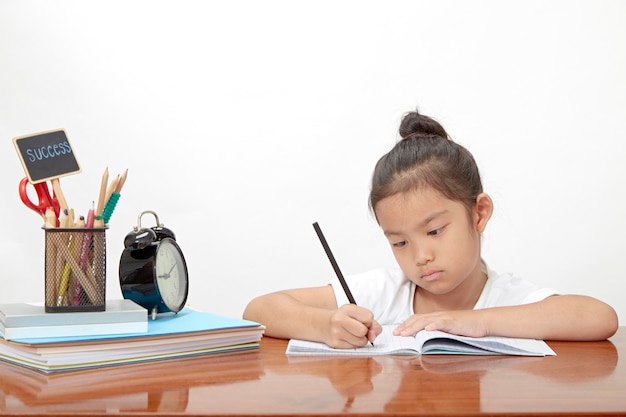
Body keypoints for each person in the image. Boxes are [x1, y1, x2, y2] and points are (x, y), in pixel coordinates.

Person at [243, 109, 619, 348]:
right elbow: (258, 309)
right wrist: (325, 325)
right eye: (400, 242)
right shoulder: (381, 292)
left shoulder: (504, 298)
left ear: (479, 213)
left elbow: (600, 317)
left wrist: (475, 321)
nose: (420, 256)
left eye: (435, 231)